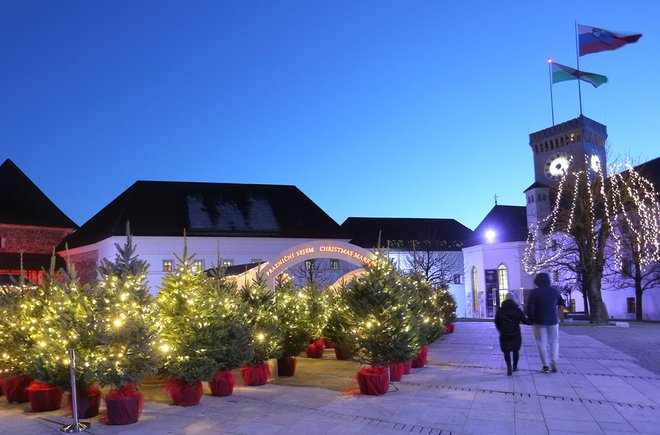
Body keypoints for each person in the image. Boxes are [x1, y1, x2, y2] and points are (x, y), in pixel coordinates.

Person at [525, 272, 566, 373]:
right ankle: (554, 360)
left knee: (541, 342)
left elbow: (530, 308)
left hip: (538, 320)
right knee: (554, 341)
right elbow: (561, 303)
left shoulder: (534, 292)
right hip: (553, 319)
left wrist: (530, 318)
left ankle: (545, 365)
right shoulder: (555, 291)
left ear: (537, 281)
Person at [495, 292, 531, 376]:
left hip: (504, 334)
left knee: (506, 352)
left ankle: (509, 367)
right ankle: (515, 367)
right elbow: (525, 321)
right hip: (516, 334)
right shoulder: (517, 310)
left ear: (505, 299)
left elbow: (496, 322)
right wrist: (535, 320)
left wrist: (500, 330)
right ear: (513, 299)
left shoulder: (500, 311)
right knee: (516, 351)